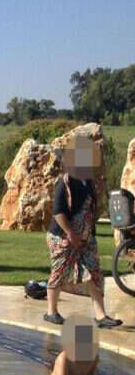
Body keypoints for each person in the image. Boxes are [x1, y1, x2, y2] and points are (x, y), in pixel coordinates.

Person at [44, 134, 120, 328]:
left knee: (95, 273)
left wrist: (88, 235)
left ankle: (101, 316)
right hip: (63, 236)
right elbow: (58, 212)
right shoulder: (65, 182)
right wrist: (71, 234)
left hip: (86, 238)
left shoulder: (88, 181)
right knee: (59, 272)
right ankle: (51, 312)